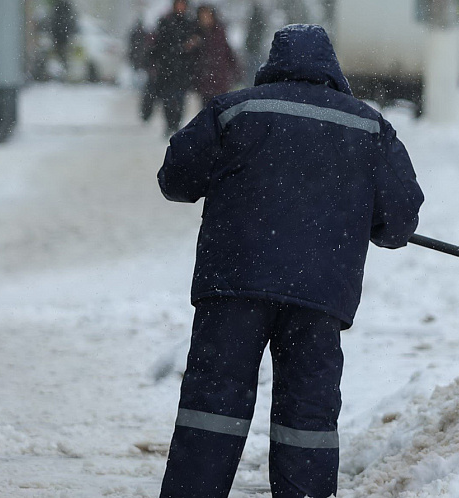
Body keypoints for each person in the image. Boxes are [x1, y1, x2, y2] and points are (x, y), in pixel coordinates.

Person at [156, 24, 424, 498]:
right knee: (307, 418)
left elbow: (175, 178)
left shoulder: (234, 110)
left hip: (234, 285)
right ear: (331, 68)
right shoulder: (368, 126)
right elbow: (401, 218)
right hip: (319, 297)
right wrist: (375, 221)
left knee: (212, 409)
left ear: (274, 63)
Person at [148, 0, 198, 135]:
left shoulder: (190, 23)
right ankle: (169, 124)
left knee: (180, 99)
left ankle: (176, 124)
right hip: (167, 69)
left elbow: (196, 46)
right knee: (168, 99)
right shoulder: (166, 22)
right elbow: (159, 46)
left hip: (183, 69)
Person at [192, 5, 239, 105]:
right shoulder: (196, 32)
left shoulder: (219, 32)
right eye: (203, 16)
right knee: (207, 109)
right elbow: (193, 57)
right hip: (204, 79)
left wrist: (236, 70)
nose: (205, 18)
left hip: (220, 78)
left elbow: (227, 51)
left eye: (207, 15)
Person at [49, 0, 78, 72]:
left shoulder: (58, 8)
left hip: (59, 37)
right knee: (63, 55)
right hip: (63, 37)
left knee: (60, 55)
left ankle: (62, 69)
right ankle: (64, 69)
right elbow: (72, 23)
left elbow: (53, 22)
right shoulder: (67, 9)